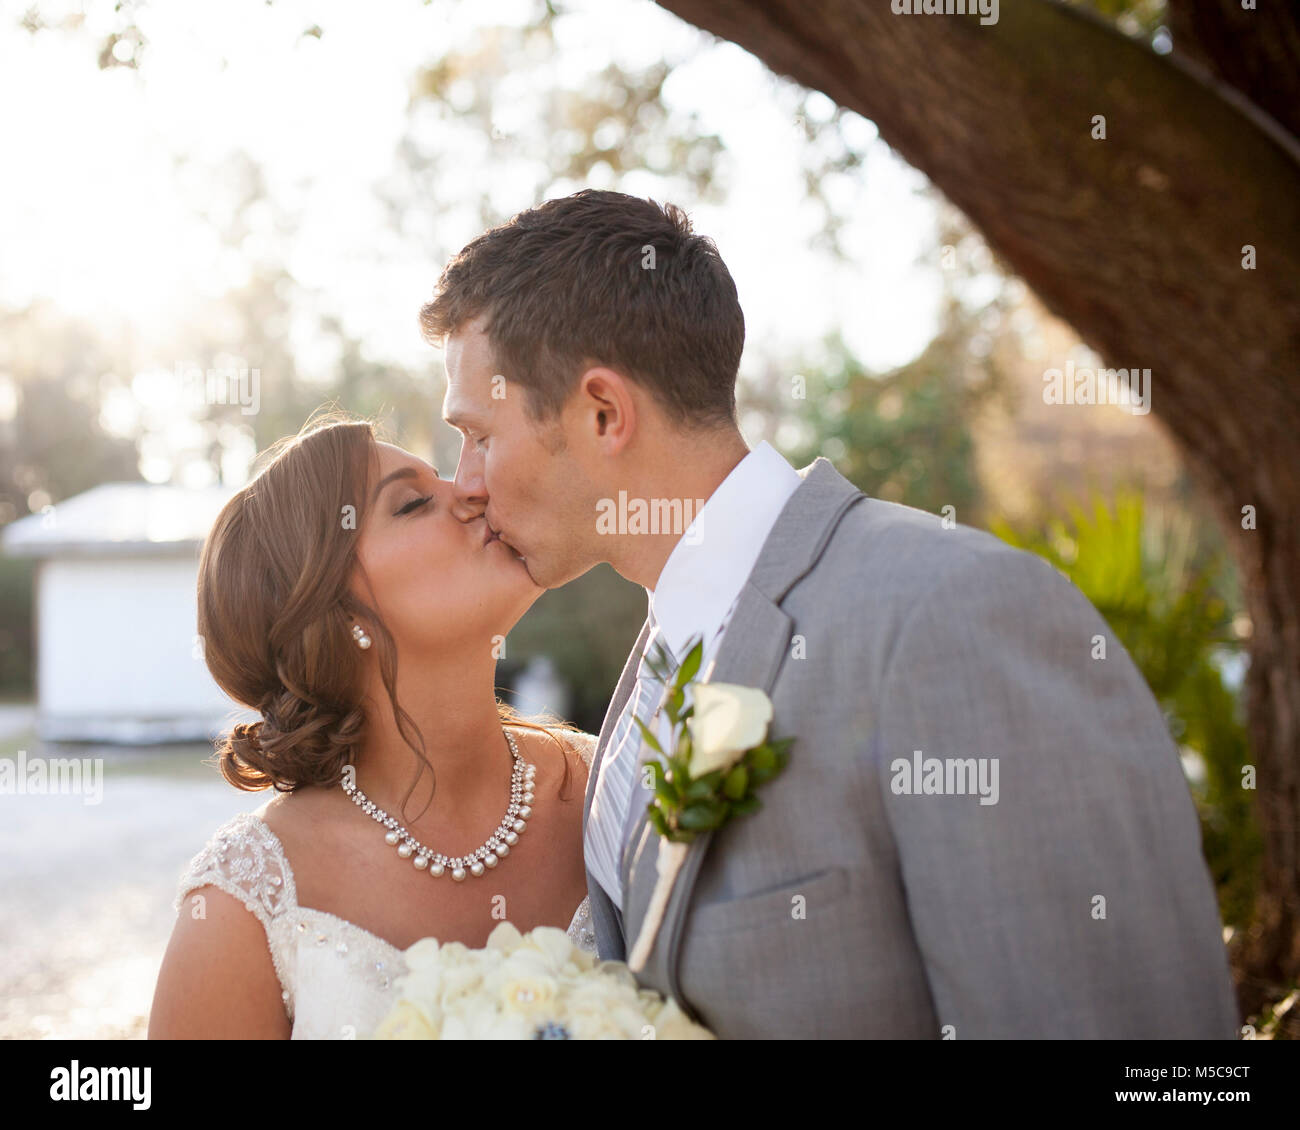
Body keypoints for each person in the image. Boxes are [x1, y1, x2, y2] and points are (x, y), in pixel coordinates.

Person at [418, 187, 1241, 1038]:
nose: (465, 484)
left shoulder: (951, 615)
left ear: (602, 412)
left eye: (478, 435)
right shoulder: (652, 668)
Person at [149, 416, 594, 1040]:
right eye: (412, 502)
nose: (473, 488)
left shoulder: (617, 789)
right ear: (332, 611)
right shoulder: (245, 905)